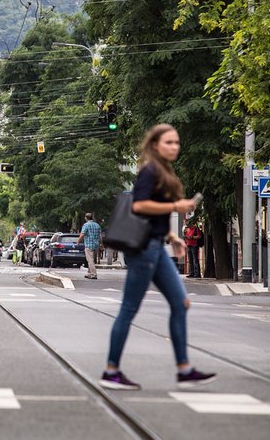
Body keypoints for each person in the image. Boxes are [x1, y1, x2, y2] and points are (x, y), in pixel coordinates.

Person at [99, 124, 216, 391]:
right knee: (129, 309)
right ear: (155, 145)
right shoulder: (149, 170)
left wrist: (171, 237)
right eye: (169, 142)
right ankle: (111, 370)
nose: (175, 147)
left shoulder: (163, 171)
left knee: (181, 303)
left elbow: (155, 217)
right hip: (144, 251)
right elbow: (139, 206)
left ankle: (184, 369)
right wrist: (177, 206)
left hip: (157, 247)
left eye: (177, 142)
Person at [77, 212, 101, 279]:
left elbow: (82, 234)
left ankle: (94, 274)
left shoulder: (86, 225)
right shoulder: (97, 225)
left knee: (90, 260)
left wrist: (78, 241)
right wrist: (101, 244)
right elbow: (100, 235)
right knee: (92, 259)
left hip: (88, 245)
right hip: (96, 245)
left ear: (86, 218)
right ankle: (89, 273)